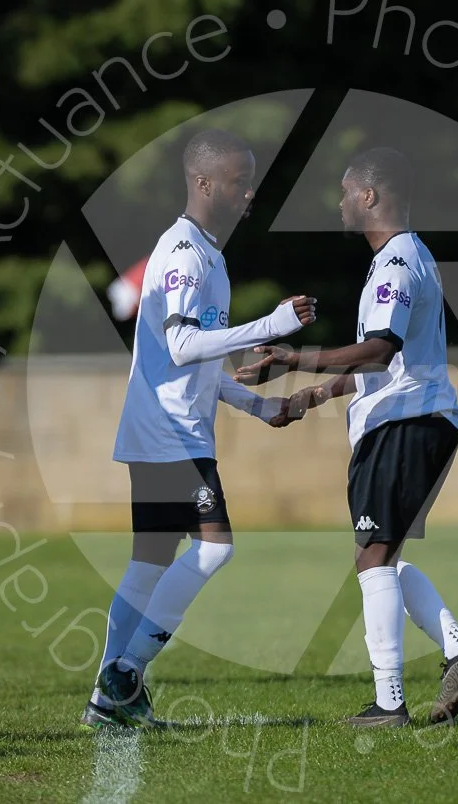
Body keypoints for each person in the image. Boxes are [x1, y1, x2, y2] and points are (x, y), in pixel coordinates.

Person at [235, 147, 458, 728]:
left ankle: (389, 703)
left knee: (372, 557)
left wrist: (294, 358)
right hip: (414, 421)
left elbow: (379, 351)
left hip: (404, 424)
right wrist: (311, 395)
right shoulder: (404, 257)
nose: (340, 202)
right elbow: (384, 363)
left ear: (370, 196)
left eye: (346, 192)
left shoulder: (397, 261)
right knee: (383, 557)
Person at [83, 128, 319, 730]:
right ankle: (126, 671)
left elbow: (199, 366)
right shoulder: (186, 253)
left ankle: (106, 701)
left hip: (161, 429)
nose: (248, 193)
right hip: (171, 433)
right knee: (215, 547)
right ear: (204, 182)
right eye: (240, 182)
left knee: (148, 563)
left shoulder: (206, 252)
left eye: (251, 182)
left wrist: (257, 407)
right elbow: (183, 346)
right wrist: (271, 324)